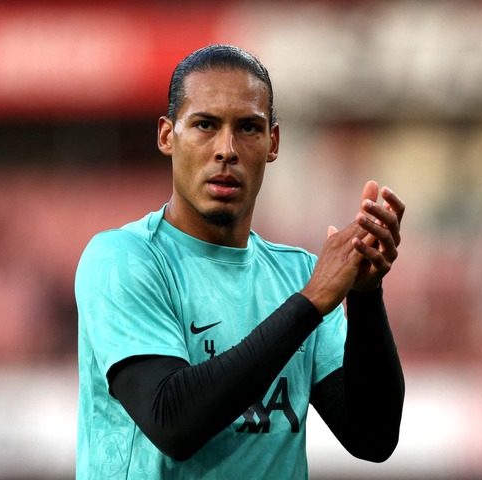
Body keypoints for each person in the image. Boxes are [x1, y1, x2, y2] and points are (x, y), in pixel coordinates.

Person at [75, 44, 405, 479]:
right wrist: (307, 305)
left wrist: (366, 296)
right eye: (205, 125)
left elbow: (373, 437)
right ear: (167, 136)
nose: (226, 149)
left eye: (248, 127)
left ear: (273, 143)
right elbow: (173, 422)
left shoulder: (298, 275)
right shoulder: (122, 259)